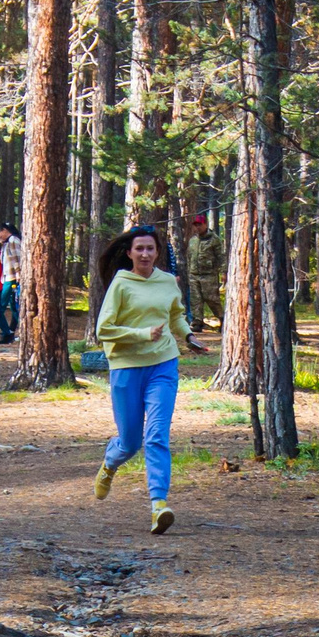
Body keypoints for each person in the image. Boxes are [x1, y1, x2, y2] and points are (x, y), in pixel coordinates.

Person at [90, 225, 205, 537]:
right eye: (139, 248)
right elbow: (104, 329)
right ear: (129, 252)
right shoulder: (121, 284)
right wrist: (141, 334)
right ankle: (110, 463)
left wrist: (188, 336)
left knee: (156, 435)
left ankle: (159, 505)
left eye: (150, 249)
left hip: (163, 365)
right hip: (126, 367)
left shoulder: (168, 282)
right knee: (129, 442)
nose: (144, 254)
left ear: (157, 253)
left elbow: (175, 316)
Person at [184, 215, 224, 331]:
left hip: (209, 274)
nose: (197, 227)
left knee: (211, 298)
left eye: (200, 224)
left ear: (205, 224)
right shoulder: (193, 240)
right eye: (195, 225)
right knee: (195, 299)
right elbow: (189, 257)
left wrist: (223, 272)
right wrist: (189, 272)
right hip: (194, 274)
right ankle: (197, 322)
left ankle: (222, 318)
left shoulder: (214, 239)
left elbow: (220, 256)